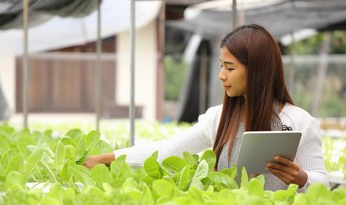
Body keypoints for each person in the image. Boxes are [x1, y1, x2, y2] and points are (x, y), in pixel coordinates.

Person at [84, 23, 328, 191]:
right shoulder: (218, 117)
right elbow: (167, 151)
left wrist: (302, 178)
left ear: (258, 71)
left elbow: (323, 184)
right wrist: (109, 158)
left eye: (230, 68)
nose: (221, 75)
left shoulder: (300, 122)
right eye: (221, 66)